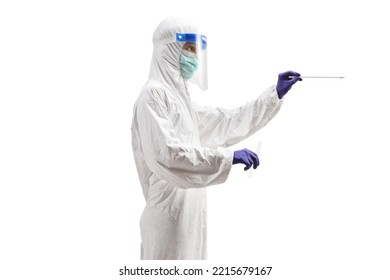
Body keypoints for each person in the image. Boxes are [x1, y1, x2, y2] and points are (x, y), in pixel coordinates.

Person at [131, 17, 301, 260]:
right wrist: (228, 157)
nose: (194, 57)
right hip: (167, 218)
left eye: (195, 49)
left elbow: (226, 122)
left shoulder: (181, 101)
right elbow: (167, 154)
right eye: (188, 48)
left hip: (187, 215)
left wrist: (273, 94)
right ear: (169, 49)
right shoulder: (153, 96)